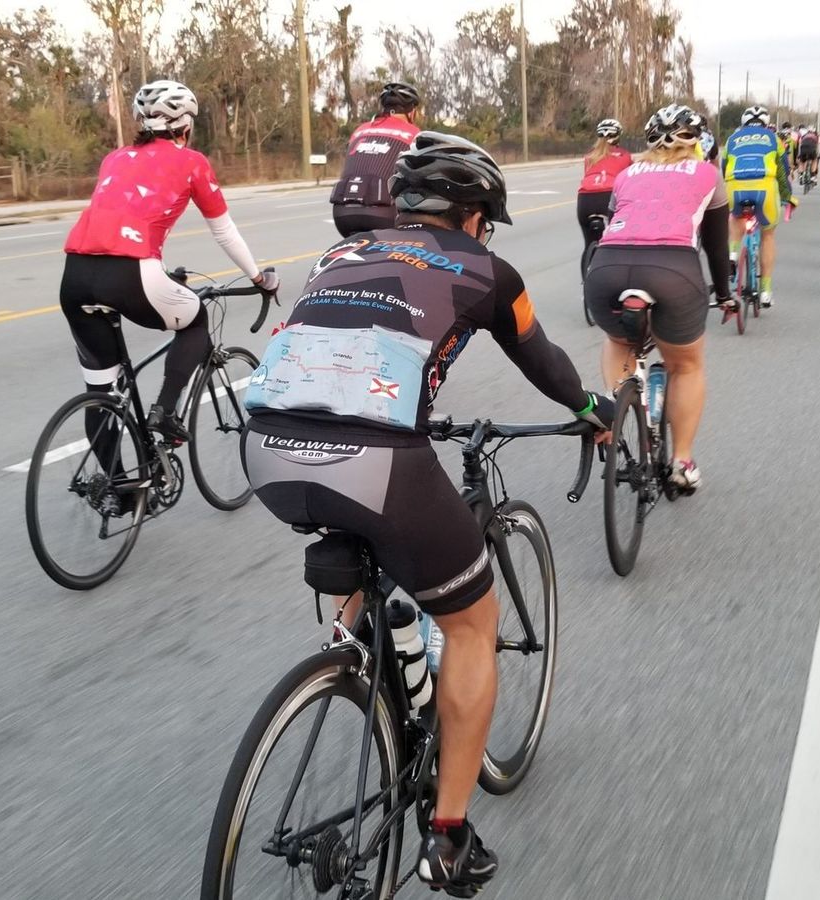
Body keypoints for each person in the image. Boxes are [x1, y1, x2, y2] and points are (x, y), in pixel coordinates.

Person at [243, 132, 612, 895]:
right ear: (475, 216)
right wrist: (589, 409)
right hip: (377, 461)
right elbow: (543, 360)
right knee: (473, 624)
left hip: (266, 450)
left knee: (369, 541)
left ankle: (360, 659)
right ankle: (449, 837)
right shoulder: (486, 268)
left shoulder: (340, 255)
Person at [59, 79, 278, 443]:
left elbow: (122, 220)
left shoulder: (114, 158)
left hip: (75, 275)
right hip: (132, 273)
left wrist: (160, 273)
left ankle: (120, 482)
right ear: (186, 125)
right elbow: (224, 233)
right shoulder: (192, 162)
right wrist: (258, 278)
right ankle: (165, 411)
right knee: (195, 319)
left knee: (101, 393)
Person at [584, 104, 732, 493]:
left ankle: (615, 410)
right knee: (685, 365)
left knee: (618, 340)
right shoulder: (708, 173)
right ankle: (682, 461)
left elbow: (615, 224)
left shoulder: (627, 174)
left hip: (606, 269)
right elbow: (717, 248)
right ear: (698, 141)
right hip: (672, 271)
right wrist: (725, 294)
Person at [721, 105, 795, 308]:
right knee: (768, 235)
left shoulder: (731, 139)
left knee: (735, 219)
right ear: (766, 123)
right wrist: (787, 196)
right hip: (765, 187)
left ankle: (733, 255)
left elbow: (725, 168)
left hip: (735, 186)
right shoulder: (773, 138)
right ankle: (766, 291)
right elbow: (783, 171)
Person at [328, 81, 423, 236]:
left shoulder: (360, 131)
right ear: (412, 112)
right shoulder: (414, 134)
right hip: (383, 215)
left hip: (342, 215)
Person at [577, 117, 631, 267]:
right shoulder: (624, 156)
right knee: (617, 241)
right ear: (618, 136)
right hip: (608, 196)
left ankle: (586, 275)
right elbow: (629, 181)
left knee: (588, 244)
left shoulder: (589, 156)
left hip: (585, 199)